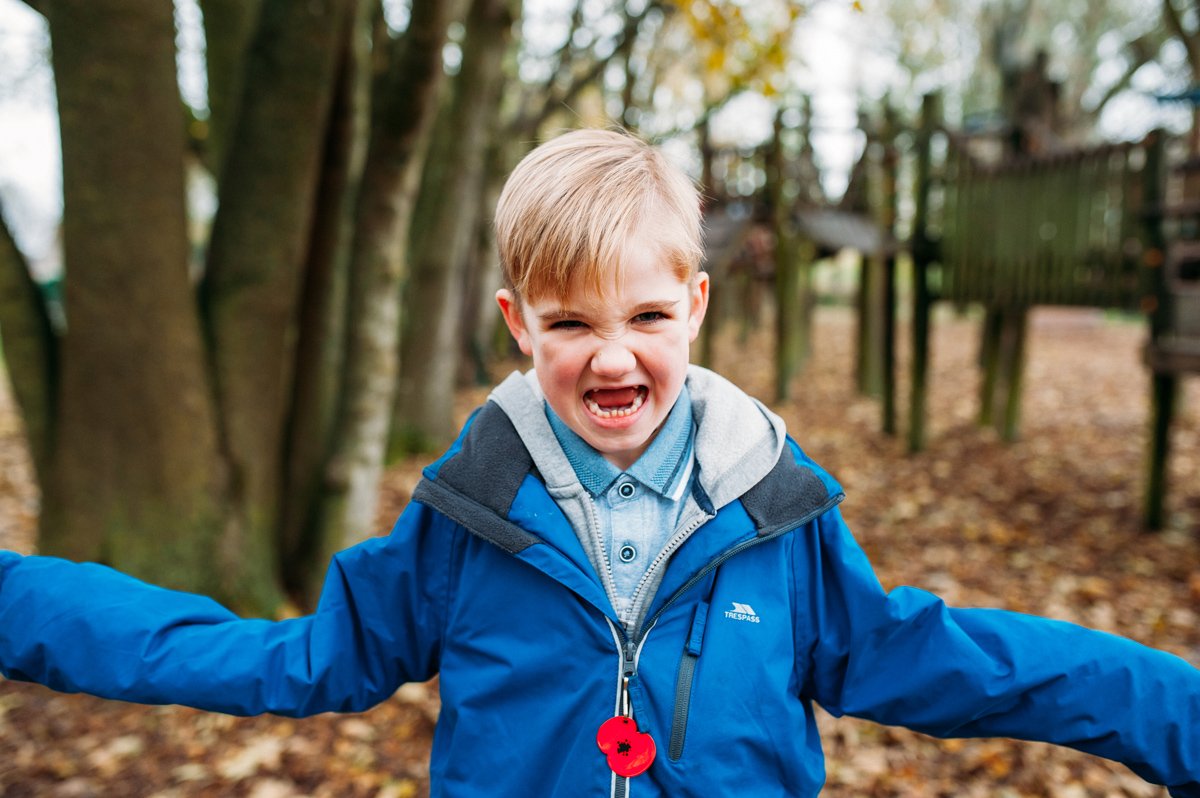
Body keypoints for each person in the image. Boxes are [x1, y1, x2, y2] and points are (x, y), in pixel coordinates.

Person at [1, 128, 1198, 797]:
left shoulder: (774, 514)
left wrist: (1176, 712)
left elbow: (946, 659)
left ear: (696, 305)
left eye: (645, 319)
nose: (612, 358)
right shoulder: (466, 519)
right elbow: (280, 660)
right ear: (521, 327)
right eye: (572, 326)